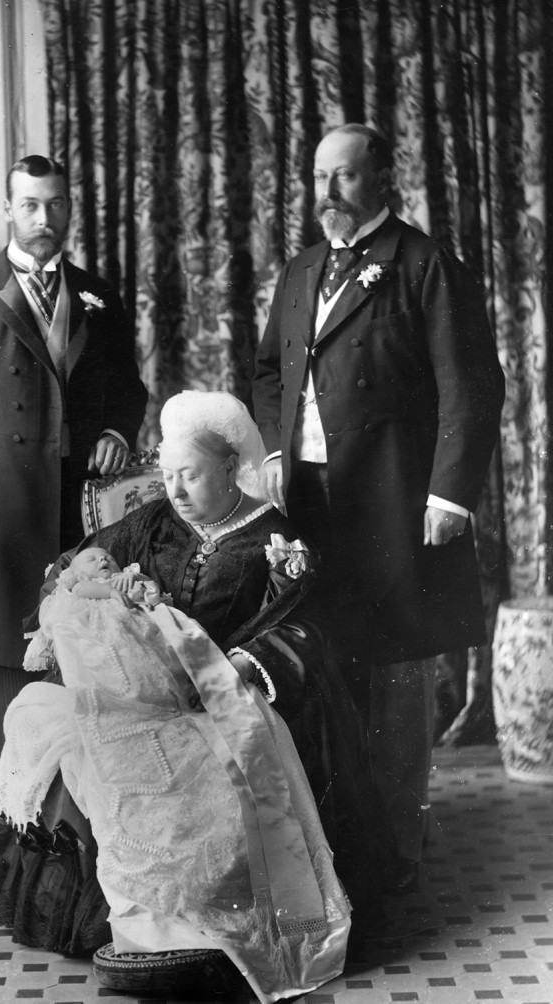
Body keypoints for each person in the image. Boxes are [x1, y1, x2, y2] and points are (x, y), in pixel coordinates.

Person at [0, 390, 387, 991]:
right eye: (168, 475)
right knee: (75, 734)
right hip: (139, 689)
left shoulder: (271, 537)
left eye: (190, 476)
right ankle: (130, 925)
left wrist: (246, 665)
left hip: (223, 691)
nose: (174, 490)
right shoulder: (153, 520)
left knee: (209, 766)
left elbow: (310, 624)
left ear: (229, 468)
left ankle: (199, 929)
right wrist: (86, 587)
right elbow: (77, 564)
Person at [252, 123, 505, 895]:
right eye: (321, 178)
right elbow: (269, 371)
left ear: (381, 180)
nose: (328, 195)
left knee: (395, 667)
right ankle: (341, 837)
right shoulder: (300, 272)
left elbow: (473, 384)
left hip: (395, 502)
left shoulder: (424, 265)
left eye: (346, 178)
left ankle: (396, 849)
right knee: (323, 660)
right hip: (312, 505)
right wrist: (270, 452)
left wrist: (450, 493)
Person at [0, 532, 351, 1002]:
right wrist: (110, 589)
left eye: (107, 560)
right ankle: (154, 925)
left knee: (224, 760)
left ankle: (216, 918)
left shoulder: (251, 539)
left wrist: (151, 602)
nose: (104, 562)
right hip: (119, 697)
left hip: (191, 690)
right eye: (94, 560)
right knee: (120, 770)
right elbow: (77, 594)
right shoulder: (119, 552)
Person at [0, 155, 148, 768]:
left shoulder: (99, 294)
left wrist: (114, 430)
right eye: (29, 204)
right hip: (6, 517)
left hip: (82, 514)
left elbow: (129, 389)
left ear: (69, 208)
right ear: (7, 210)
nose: (43, 217)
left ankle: (79, 849)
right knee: (16, 684)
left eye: (54, 204)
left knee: (88, 672)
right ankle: (19, 848)